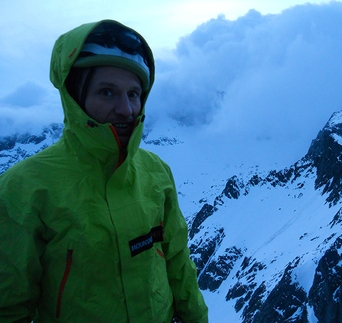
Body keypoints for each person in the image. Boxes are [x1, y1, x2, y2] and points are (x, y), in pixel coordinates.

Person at [0, 20, 208, 323]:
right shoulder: (24, 188)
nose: (126, 109)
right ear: (75, 98)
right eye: (107, 92)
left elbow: (177, 263)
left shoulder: (156, 172)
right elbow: (9, 305)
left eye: (134, 94)